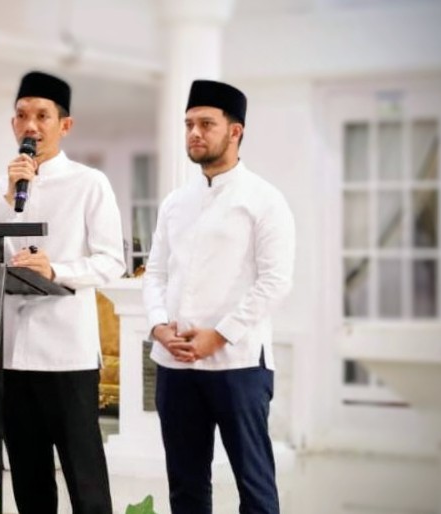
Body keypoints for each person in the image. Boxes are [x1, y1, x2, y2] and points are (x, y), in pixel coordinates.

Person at [0, 70, 125, 514]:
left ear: (65, 125)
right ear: (12, 124)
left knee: (85, 480)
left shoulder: (89, 183)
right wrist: (8, 199)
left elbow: (111, 261)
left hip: (67, 356)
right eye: (22, 116)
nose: (31, 125)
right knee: (28, 479)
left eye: (42, 116)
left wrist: (55, 269)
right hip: (11, 355)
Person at [142, 79, 295, 514]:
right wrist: (158, 325)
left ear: (235, 131)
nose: (194, 132)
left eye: (206, 124)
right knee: (186, 488)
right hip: (175, 365)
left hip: (238, 363)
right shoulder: (175, 202)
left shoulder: (264, 199)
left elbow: (276, 281)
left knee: (255, 487)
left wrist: (220, 334)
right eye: (189, 123)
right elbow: (155, 272)